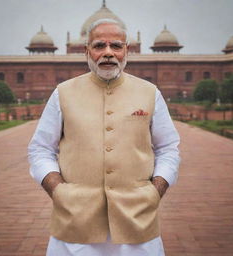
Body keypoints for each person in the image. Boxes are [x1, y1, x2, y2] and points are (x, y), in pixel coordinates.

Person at [28, 18, 180, 256]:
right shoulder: (63, 93)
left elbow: (168, 147)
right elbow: (40, 148)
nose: (108, 52)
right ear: (86, 50)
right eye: (99, 45)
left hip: (137, 218)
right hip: (75, 219)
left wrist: (155, 191)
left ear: (126, 50)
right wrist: (58, 191)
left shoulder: (149, 93)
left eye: (116, 46)